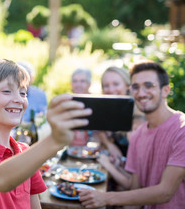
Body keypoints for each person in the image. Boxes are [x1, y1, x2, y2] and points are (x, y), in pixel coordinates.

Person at [0, 59, 92, 208]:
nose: (19, 99)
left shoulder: (24, 152)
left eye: (23, 93)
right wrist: (54, 140)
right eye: (7, 91)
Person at [79, 60, 185, 209]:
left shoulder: (181, 129)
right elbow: (135, 189)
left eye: (149, 85)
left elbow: (165, 192)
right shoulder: (138, 135)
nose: (141, 93)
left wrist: (106, 198)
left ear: (166, 90)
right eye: (136, 87)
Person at [70, 68, 92, 145]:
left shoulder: (96, 103)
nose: (78, 85)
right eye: (75, 81)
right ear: (71, 84)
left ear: (89, 84)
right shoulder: (66, 103)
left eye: (82, 81)